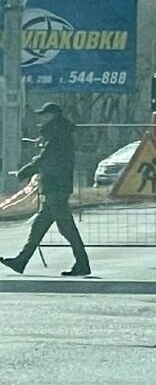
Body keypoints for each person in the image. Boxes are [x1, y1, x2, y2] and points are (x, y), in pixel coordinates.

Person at [1, 103, 91, 276]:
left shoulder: (58, 134)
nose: (41, 119)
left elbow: (46, 159)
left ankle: (82, 263)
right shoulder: (57, 133)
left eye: (45, 115)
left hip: (56, 187)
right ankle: (21, 260)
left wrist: (25, 171)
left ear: (53, 115)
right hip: (53, 186)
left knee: (67, 229)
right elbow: (47, 158)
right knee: (39, 227)